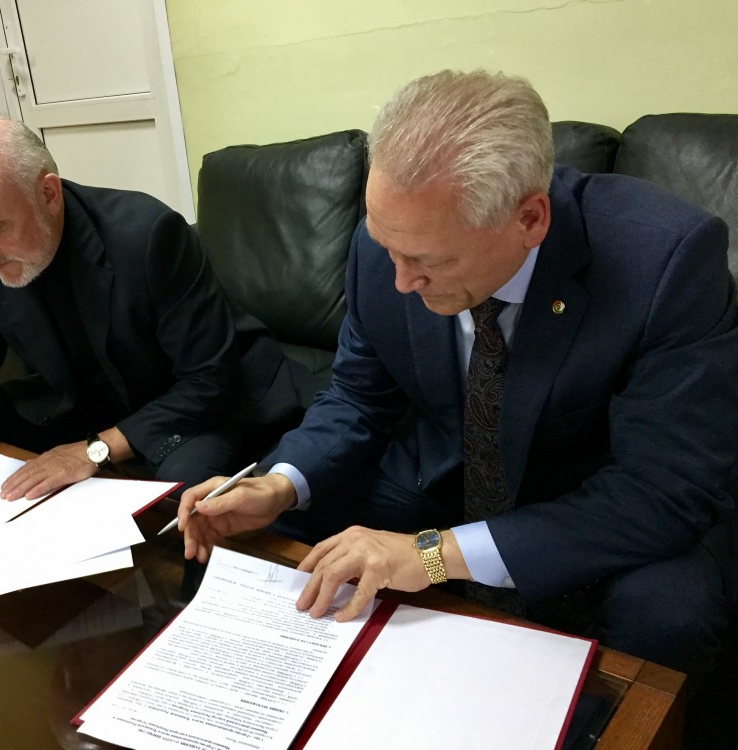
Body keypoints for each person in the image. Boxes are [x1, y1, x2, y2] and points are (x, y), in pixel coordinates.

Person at [177, 70, 738, 679]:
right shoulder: (388, 244)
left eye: (428, 260)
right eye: (388, 247)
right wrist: (279, 484)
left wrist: (432, 555)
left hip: (590, 498)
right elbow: (358, 397)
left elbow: (660, 488)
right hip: (444, 472)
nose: (401, 281)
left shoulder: (665, 260)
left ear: (530, 219)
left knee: (668, 611)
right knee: (274, 522)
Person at [0, 111, 304, 523]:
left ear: (48, 193)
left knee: (178, 501)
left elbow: (209, 381)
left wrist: (94, 450)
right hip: (87, 401)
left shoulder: (148, 235)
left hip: (199, 400)